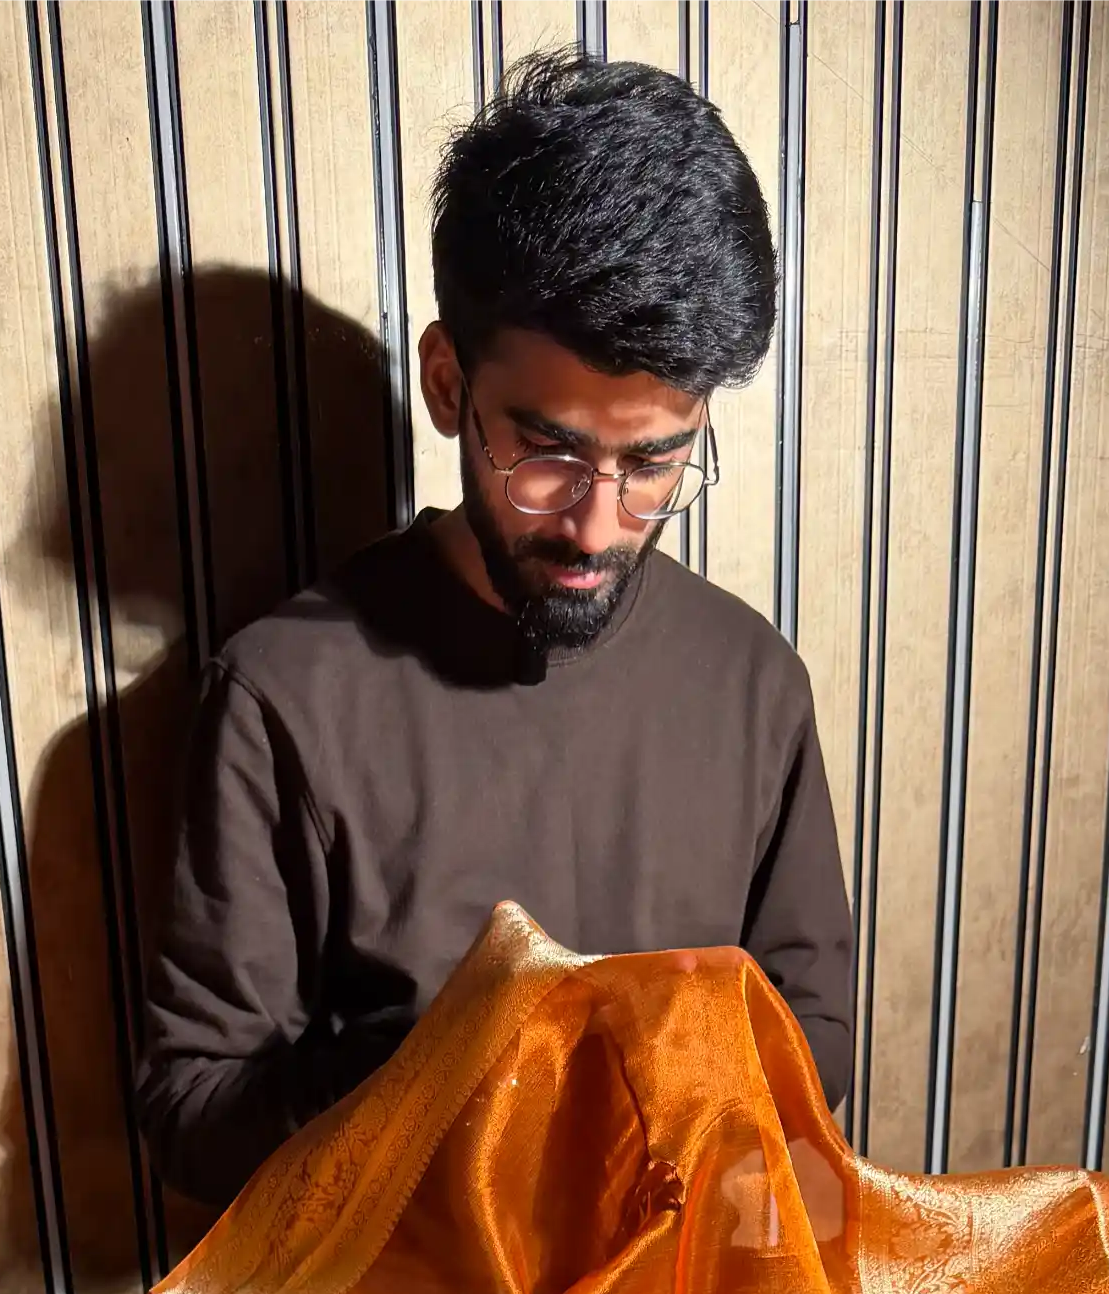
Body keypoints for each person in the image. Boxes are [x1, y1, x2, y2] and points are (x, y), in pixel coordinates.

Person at [138, 50, 856, 1209]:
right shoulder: (284, 697)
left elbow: (808, 1038)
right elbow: (191, 1117)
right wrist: (460, 1069)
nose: (596, 525)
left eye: (653, 462)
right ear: (446, 384)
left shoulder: (751, 682)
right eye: (549, 450)